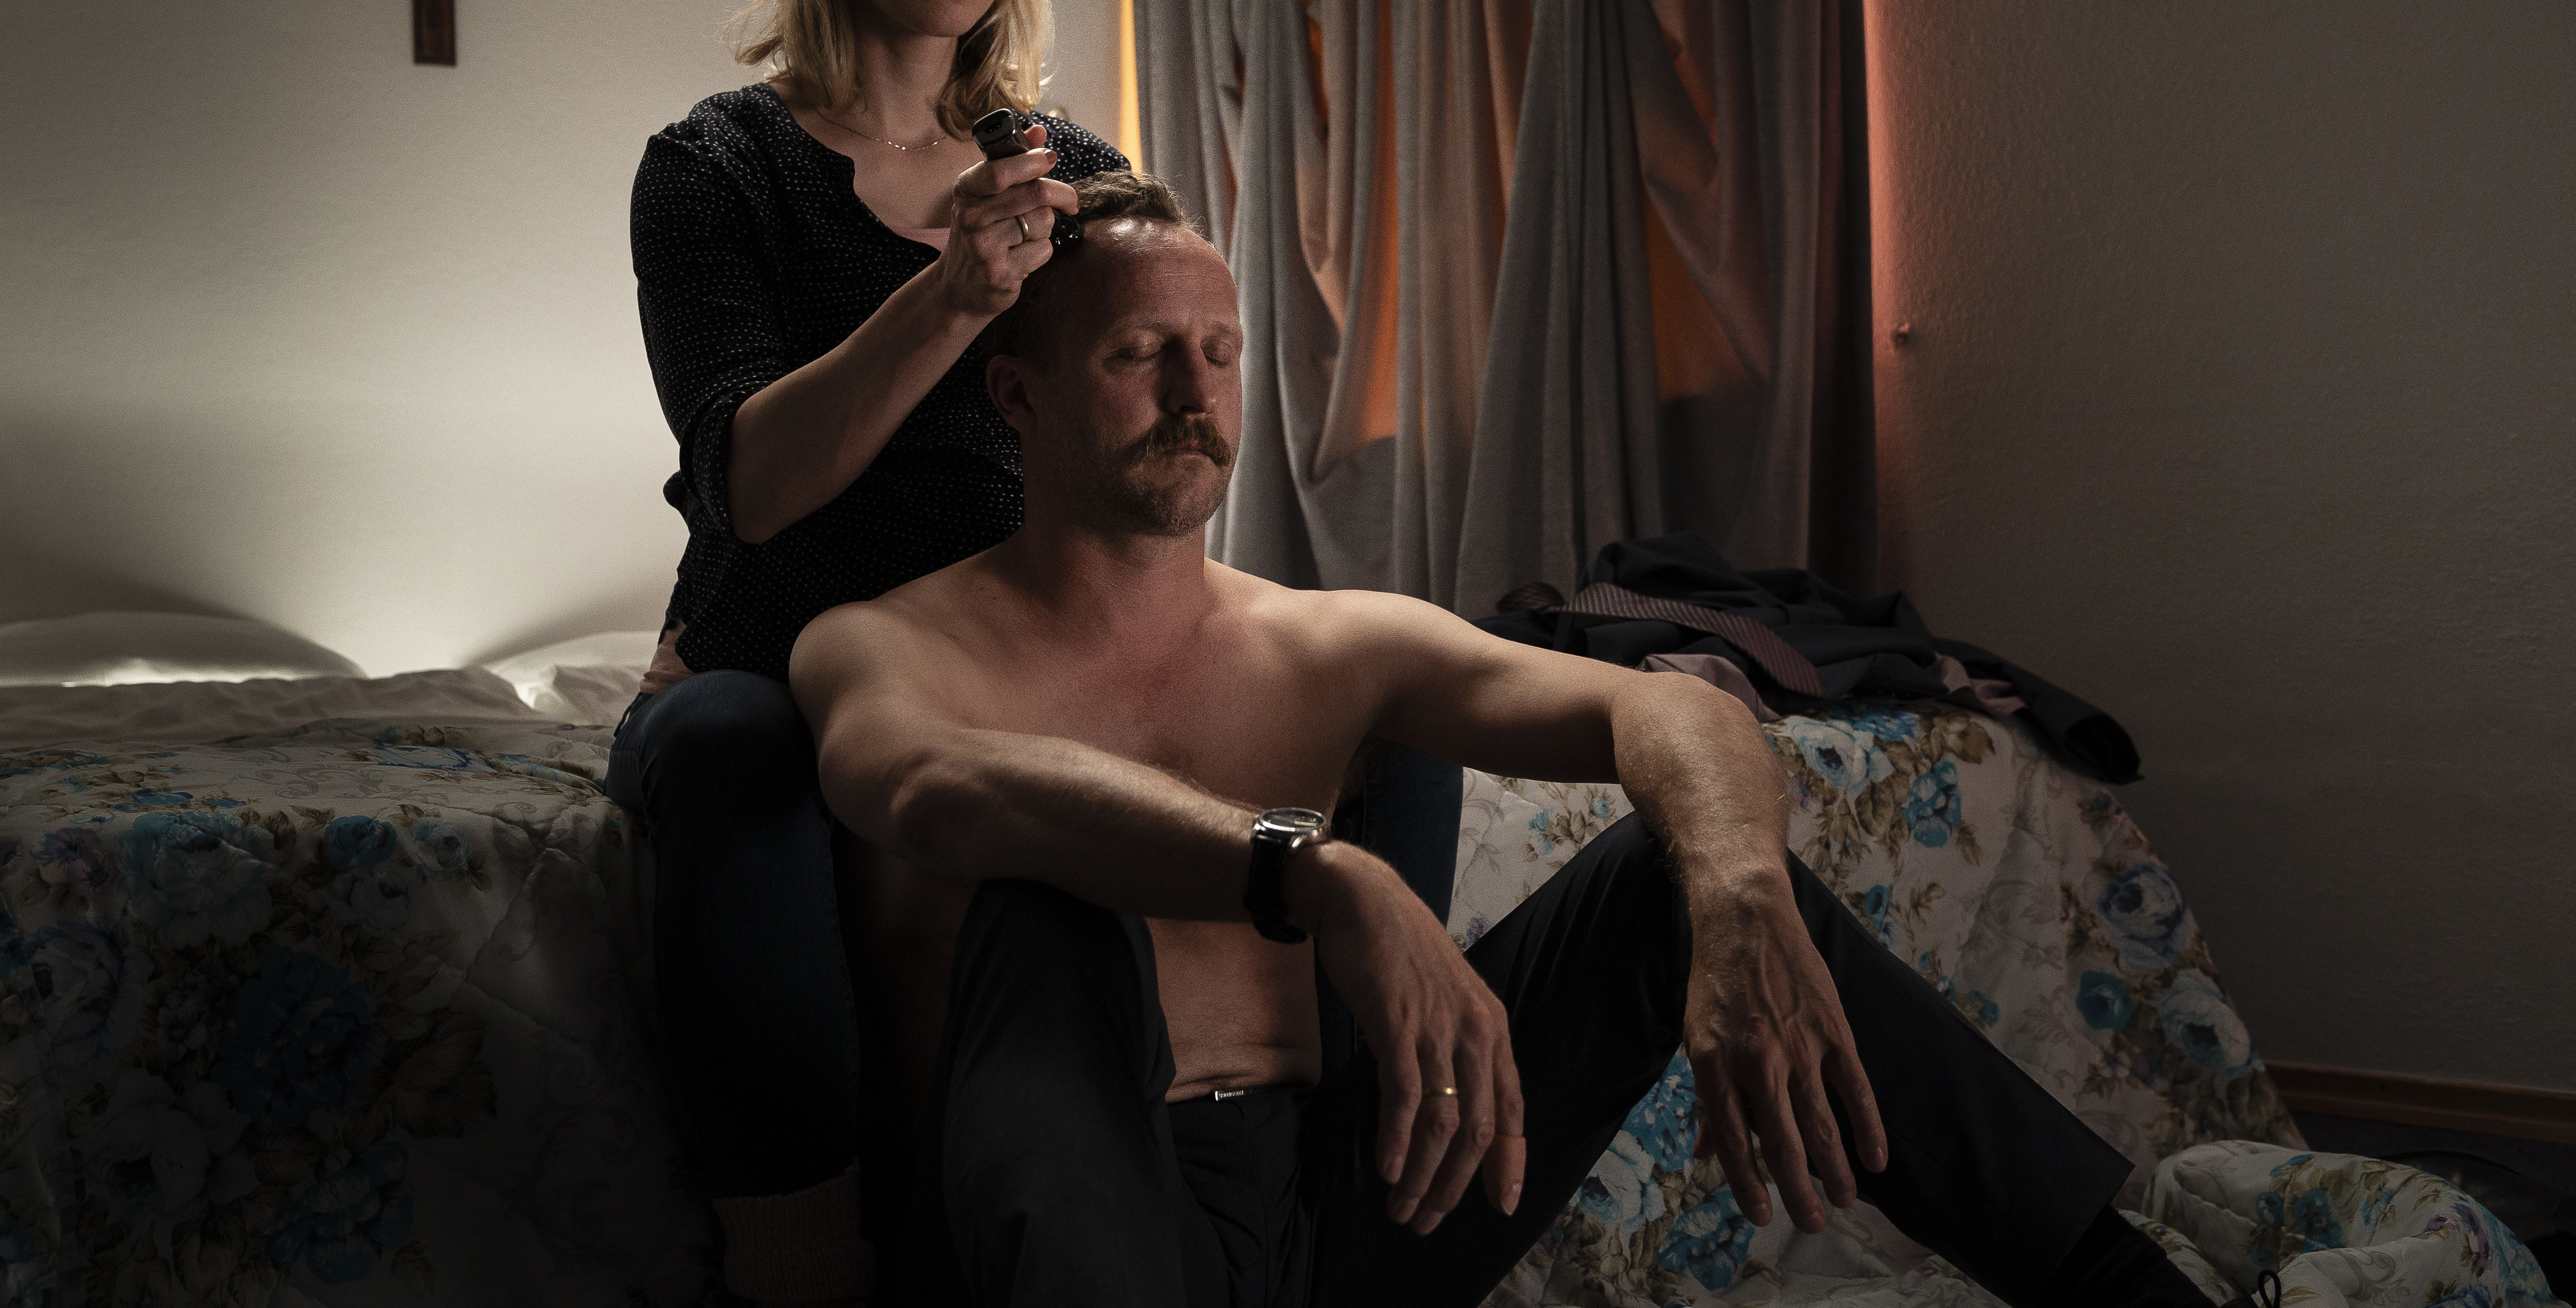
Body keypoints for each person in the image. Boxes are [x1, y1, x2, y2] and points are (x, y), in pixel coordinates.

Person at [791, 172, 2262, 1308]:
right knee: (1051, 905)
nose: (1195, 396)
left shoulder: (1328, 644)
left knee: (1675, 879)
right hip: (1051, 1234)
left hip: (1331, 1215)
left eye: (1220, 353)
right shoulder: (887, 645)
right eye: (1139, 354)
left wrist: (1740, 892)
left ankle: (2124, 1295)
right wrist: (1313, 871)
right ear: (1018, 392)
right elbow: (938, 792)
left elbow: (1666, 706)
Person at [609, 0, 1127, 1305]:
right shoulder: (716, 169)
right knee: (728, 750)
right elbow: (752, 486)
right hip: (771, 662)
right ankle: (797, 1254)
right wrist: (952, 294)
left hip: (997, 660)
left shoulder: (1072, 169)